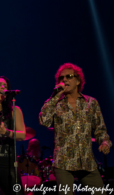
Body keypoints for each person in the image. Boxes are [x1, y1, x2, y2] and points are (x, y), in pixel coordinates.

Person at [39, 63, 112, 195]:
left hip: (86, 161)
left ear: (78, 80)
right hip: (63, 162)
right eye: (61, 78)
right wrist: (54, 96)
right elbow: (44, 121)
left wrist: (105, 142)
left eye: (69, 76)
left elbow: (100, 130)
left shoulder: (91, 103)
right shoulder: (56, 104)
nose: (64, 80)